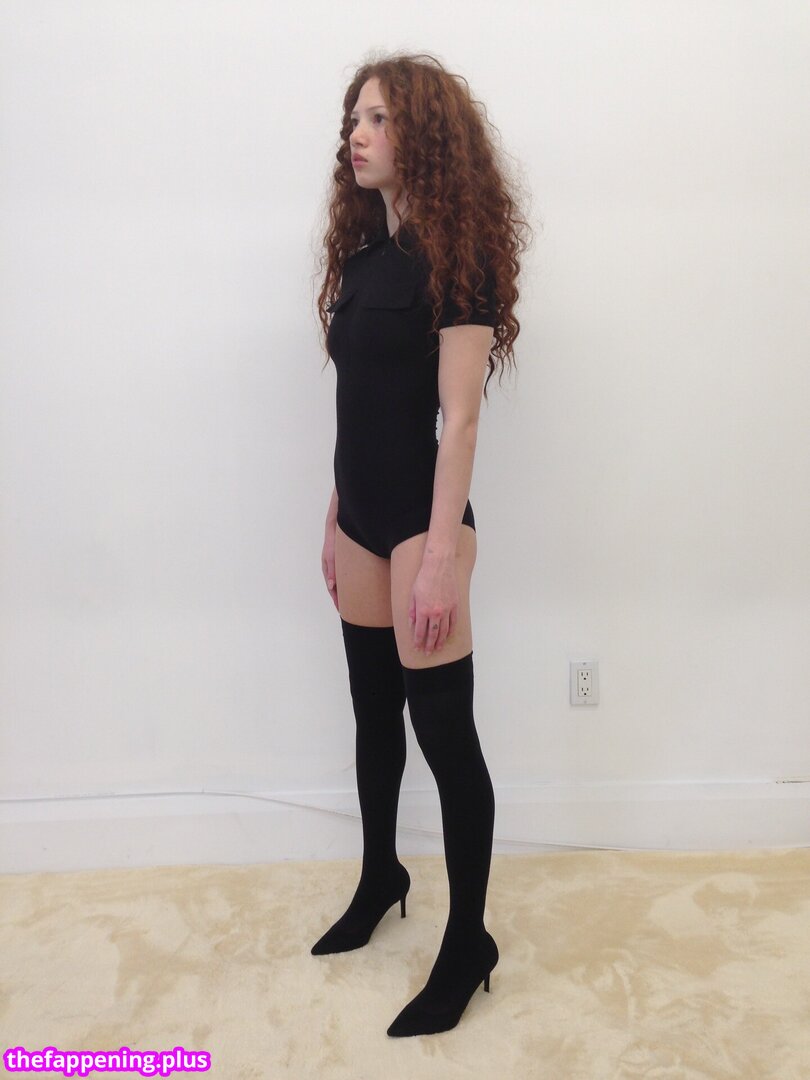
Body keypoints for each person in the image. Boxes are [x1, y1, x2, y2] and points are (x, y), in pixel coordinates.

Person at [311, 52, 530, 1038]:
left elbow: (461, 421)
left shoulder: (458, 262)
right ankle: (380, 877)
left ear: (425, 136)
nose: (357, 135)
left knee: (445, 737)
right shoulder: (364, 261)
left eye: (378, 119)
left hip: (421, 526)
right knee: (372, 715)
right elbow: (360, 405)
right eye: (354, 118)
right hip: (360, 517)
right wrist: (333, 513)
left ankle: (470, 940)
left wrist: (440, 555)